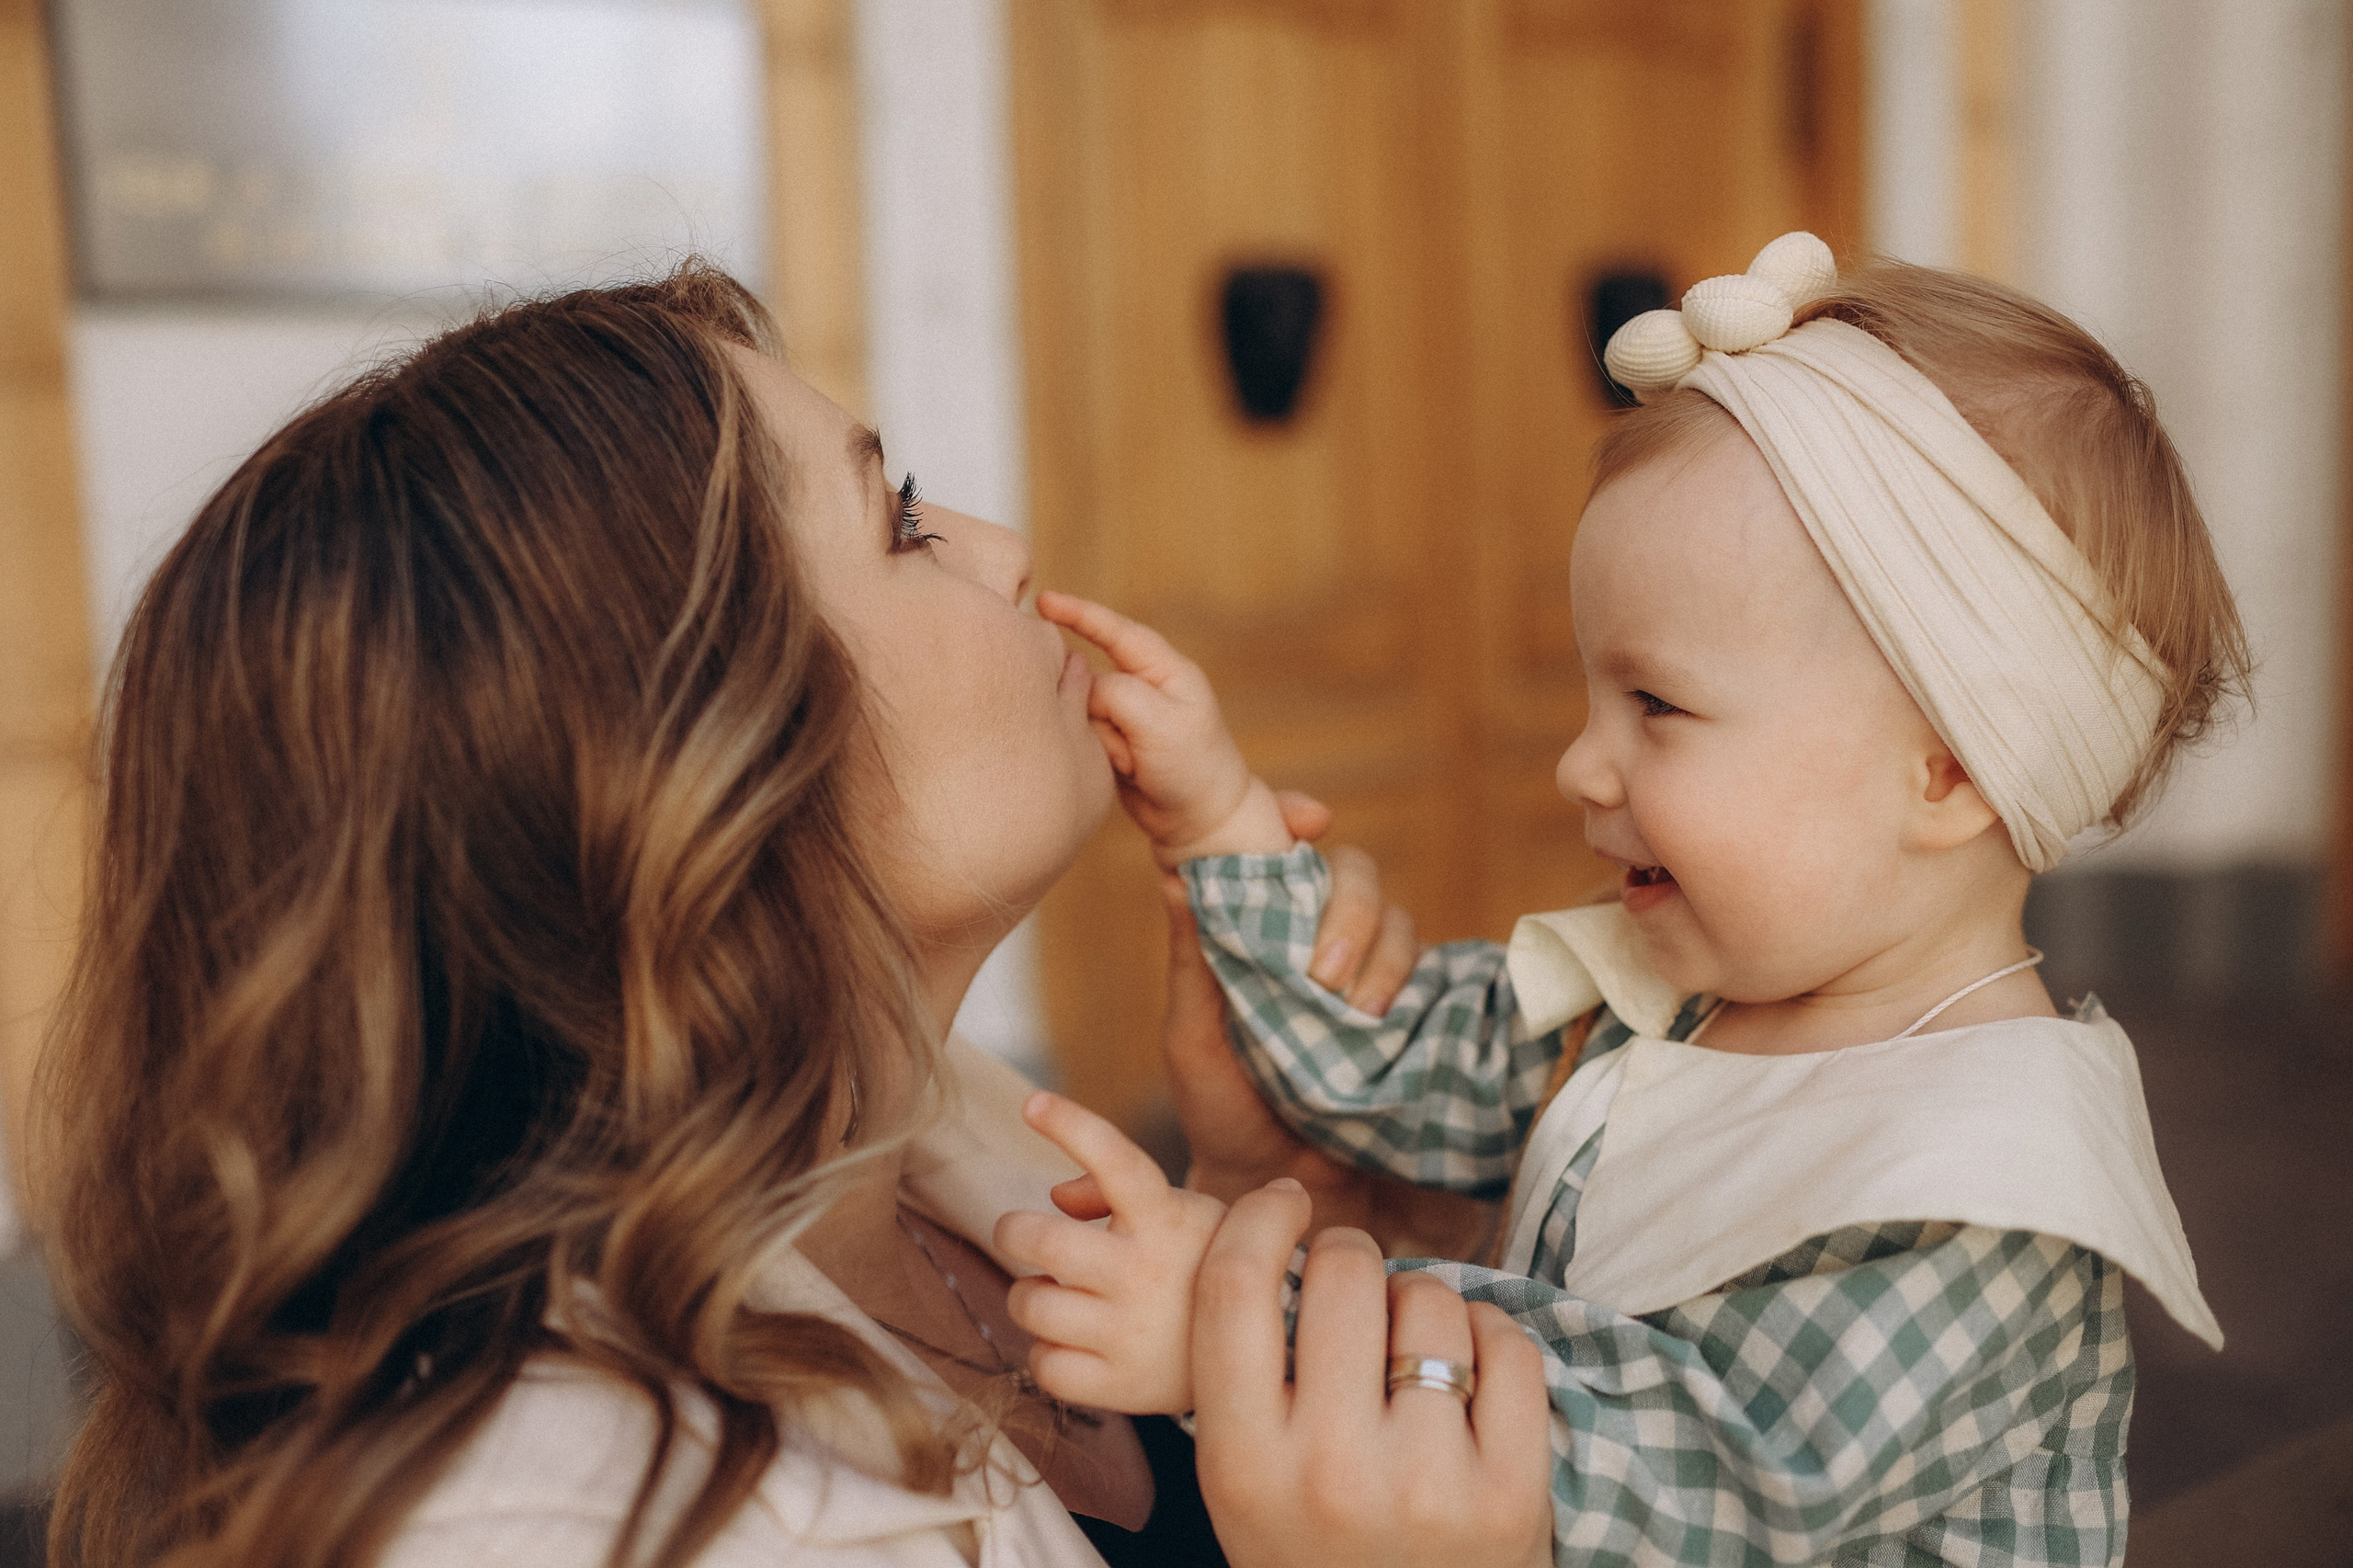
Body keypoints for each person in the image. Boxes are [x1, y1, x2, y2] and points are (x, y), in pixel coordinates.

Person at [31, 266, 1553, 1568]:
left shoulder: (926, 1132)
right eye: (897, 518)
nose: (1003, 547)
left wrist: (1270, 1207)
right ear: (678, 761)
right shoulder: (555, 1518)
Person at [996, 234, 2246, 1565]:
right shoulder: (1676, 991)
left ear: (1942, 771)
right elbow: (1391, 1054)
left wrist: (1244, 1321)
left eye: (1656, 704)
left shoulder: (1991, 1189)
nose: (1580, 763)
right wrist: (1224, 825)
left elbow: (1656, 1464)